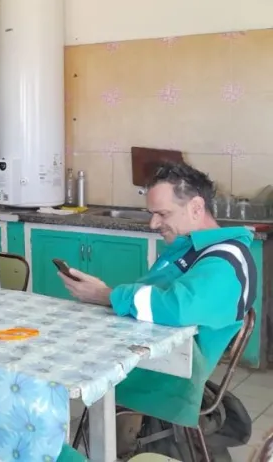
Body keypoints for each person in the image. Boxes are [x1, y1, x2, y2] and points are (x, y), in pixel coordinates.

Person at [59, 162, 257, 454]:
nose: (153, 224)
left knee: (49, 374)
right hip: (142, 355)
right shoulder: (190, 248)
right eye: (151, 214)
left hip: (168, 378)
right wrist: (109, 294)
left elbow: (176, 307)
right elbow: (152, 299)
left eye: (162, 214)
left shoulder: (225, 260)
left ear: (196, 207)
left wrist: (106, 295)